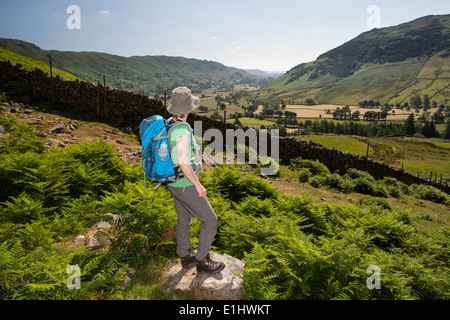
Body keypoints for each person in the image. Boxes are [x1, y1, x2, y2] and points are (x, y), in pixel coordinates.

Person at [166, 87, 225, 274]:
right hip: (184, 183)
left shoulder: (169, 124)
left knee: (183, 218)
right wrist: (198, 184)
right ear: (188, 108)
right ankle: (202, 261)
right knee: (210, 220)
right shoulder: (182, 129)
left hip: (172, 181)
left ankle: (184, 256)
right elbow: (183, 161)